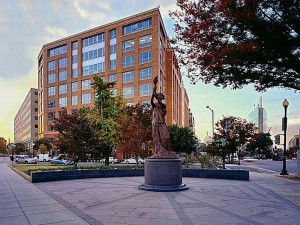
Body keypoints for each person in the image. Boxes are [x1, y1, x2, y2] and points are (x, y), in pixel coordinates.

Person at [151, 76, 172, 156]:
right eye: (158, 96)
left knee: (166, 137)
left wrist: (155, 88)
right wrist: (154, 90)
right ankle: (158, 152)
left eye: (160, 96)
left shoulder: (163, 105)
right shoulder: (155, 105)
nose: (159, 97)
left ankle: (168, 151)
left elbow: (159, 102)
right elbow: (151, 100)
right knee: (156, 139)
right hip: (155, 123)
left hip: (162, 123)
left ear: (162, 98)